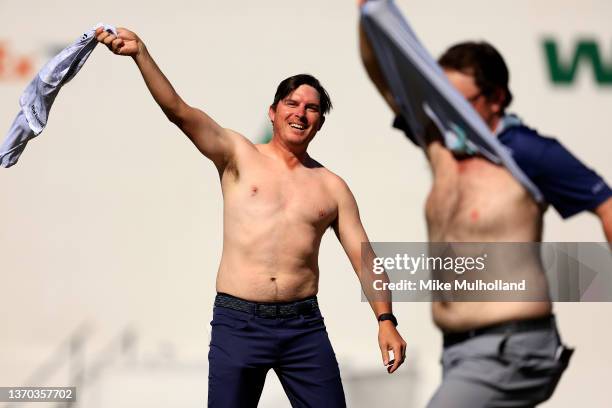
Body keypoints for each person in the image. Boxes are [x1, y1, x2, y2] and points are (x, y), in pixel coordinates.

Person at [95, 27, 406, 408]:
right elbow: (178, 110)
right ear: (273, 112)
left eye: (311, 108)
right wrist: (140, 53)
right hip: (238, 321)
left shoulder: (332, 187)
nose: (301, 113)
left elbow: (365, 258)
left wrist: (386, 320)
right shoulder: (237, 155)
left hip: (303, 327)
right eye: (292, 103)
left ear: (320, 122)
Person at [358, 1, 612, 407]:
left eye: (461, 104)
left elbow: (606, 204)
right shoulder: (440, 146)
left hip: (512, 349)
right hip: (459, 353)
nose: (449, 115)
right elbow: (382, 75)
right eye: (444, 102)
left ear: (496, 98)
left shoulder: (525, 152)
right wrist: (367, 11)